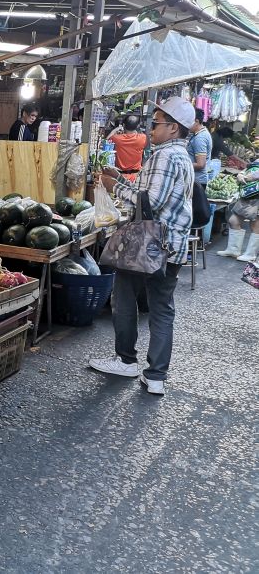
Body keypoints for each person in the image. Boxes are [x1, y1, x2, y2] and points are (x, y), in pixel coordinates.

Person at [89, 96, 195, 396]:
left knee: (123, 298)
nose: (152, 127)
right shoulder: (181, 157)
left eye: (157, 123)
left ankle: (126, 361)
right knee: (162, 309)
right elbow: (153, 194)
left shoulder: (164, 156)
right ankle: (157, 376)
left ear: (174, 128)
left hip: (149, 246)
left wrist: (115, 187)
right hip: (171, 246)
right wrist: (122, 177)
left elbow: (151, 202)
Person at [216, 160, 259, 262]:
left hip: (256, 195)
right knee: (233, 221)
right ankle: (233, 250)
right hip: (249, 193)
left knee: (255, 224)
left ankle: (251, 254)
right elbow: (251, 166)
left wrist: (246, 177)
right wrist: (241, 173)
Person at [108, 114, 147, 181]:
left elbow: (106, 142)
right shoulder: (143, 138)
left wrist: (115, 130)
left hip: (119, 176)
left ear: (123, 125)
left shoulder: (116, 139)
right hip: (136, 177)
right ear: (137, 126)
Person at [187, 108, 212, 188]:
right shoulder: (201, 133)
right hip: (197, 181)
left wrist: (182, 164)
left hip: (197, 182)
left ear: (196, 121)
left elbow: (200, 164)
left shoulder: (200, 138)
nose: (186, 124)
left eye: (188, 121)